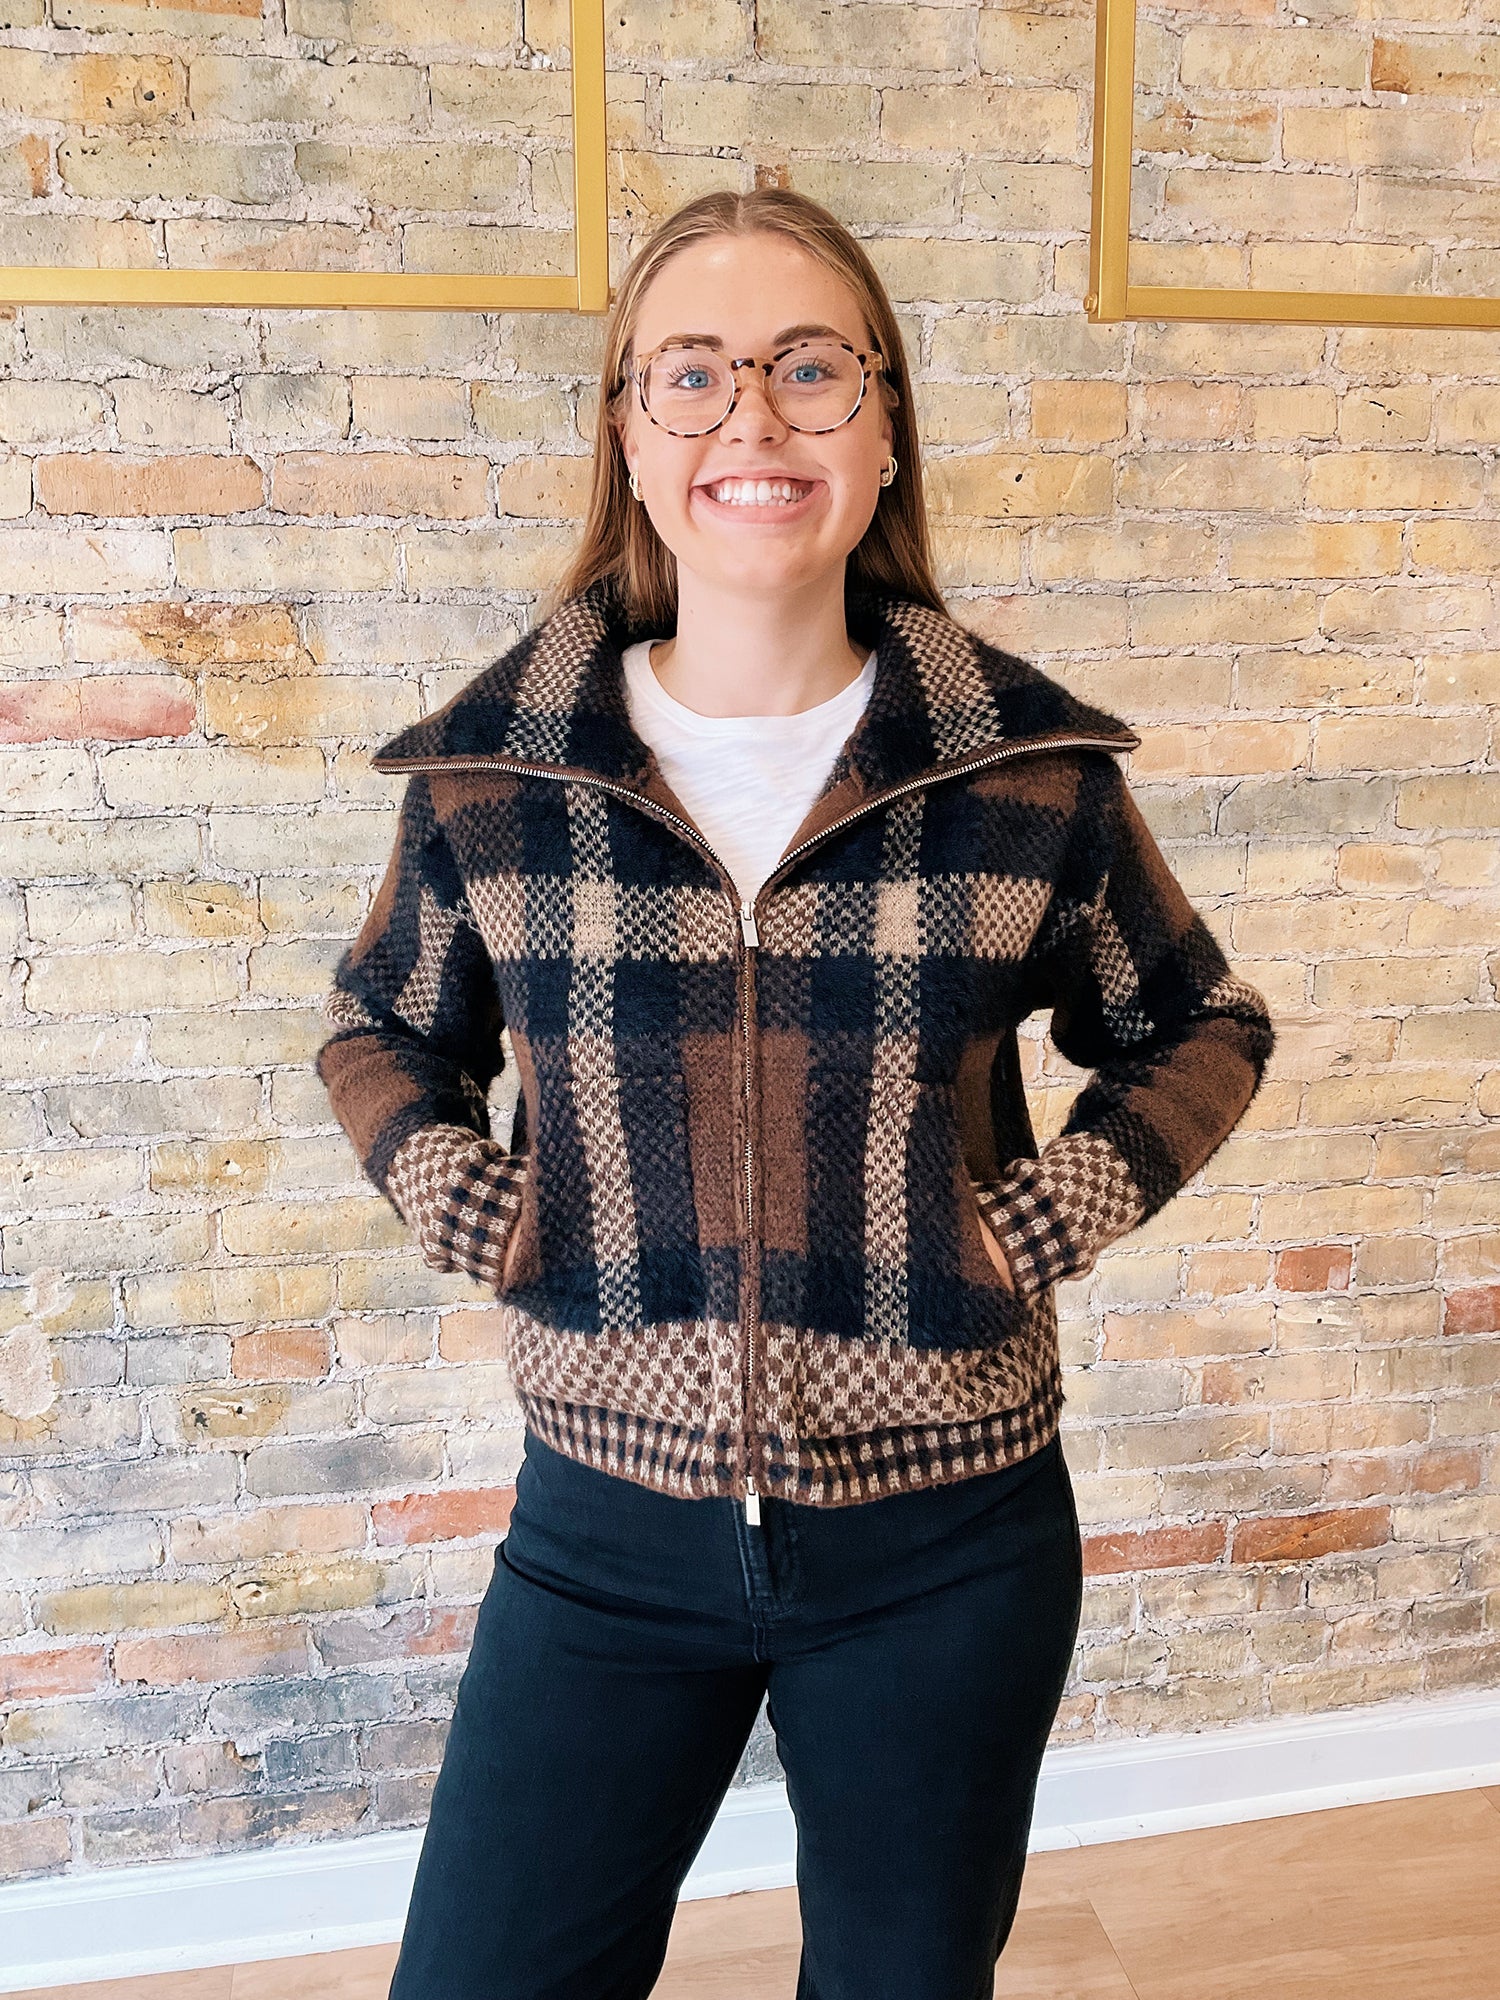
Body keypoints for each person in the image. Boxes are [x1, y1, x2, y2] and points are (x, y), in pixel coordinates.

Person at [316, 188, 1275, 2000]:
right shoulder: (497, 781)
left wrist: (1033, 1222)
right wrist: (470, 1200)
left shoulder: (1026, 776)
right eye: (690, 373)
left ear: (885, 422)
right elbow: (379, 1031)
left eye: (809, 367)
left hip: (950, 1545)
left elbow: (1202, 1024)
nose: (750, 417)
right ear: (627, 432)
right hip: (601, 1536)